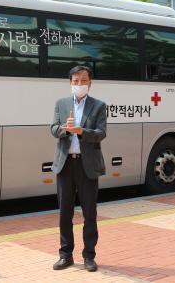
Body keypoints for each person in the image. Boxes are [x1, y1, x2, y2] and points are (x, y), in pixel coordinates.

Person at [50, 65, 107, 272]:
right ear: (70, 83)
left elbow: (101, 133)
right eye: (76, 80)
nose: (79, 84)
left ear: (90, 83)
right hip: (65, 164)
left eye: (83, 80)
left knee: (89, 213)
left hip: (87, 165)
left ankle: (89, 257)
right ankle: (65, 256)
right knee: (65, 213)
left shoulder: (99, 106)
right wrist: (64, 129)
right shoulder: (61, 104)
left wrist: (81, 130)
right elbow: (53, 128)